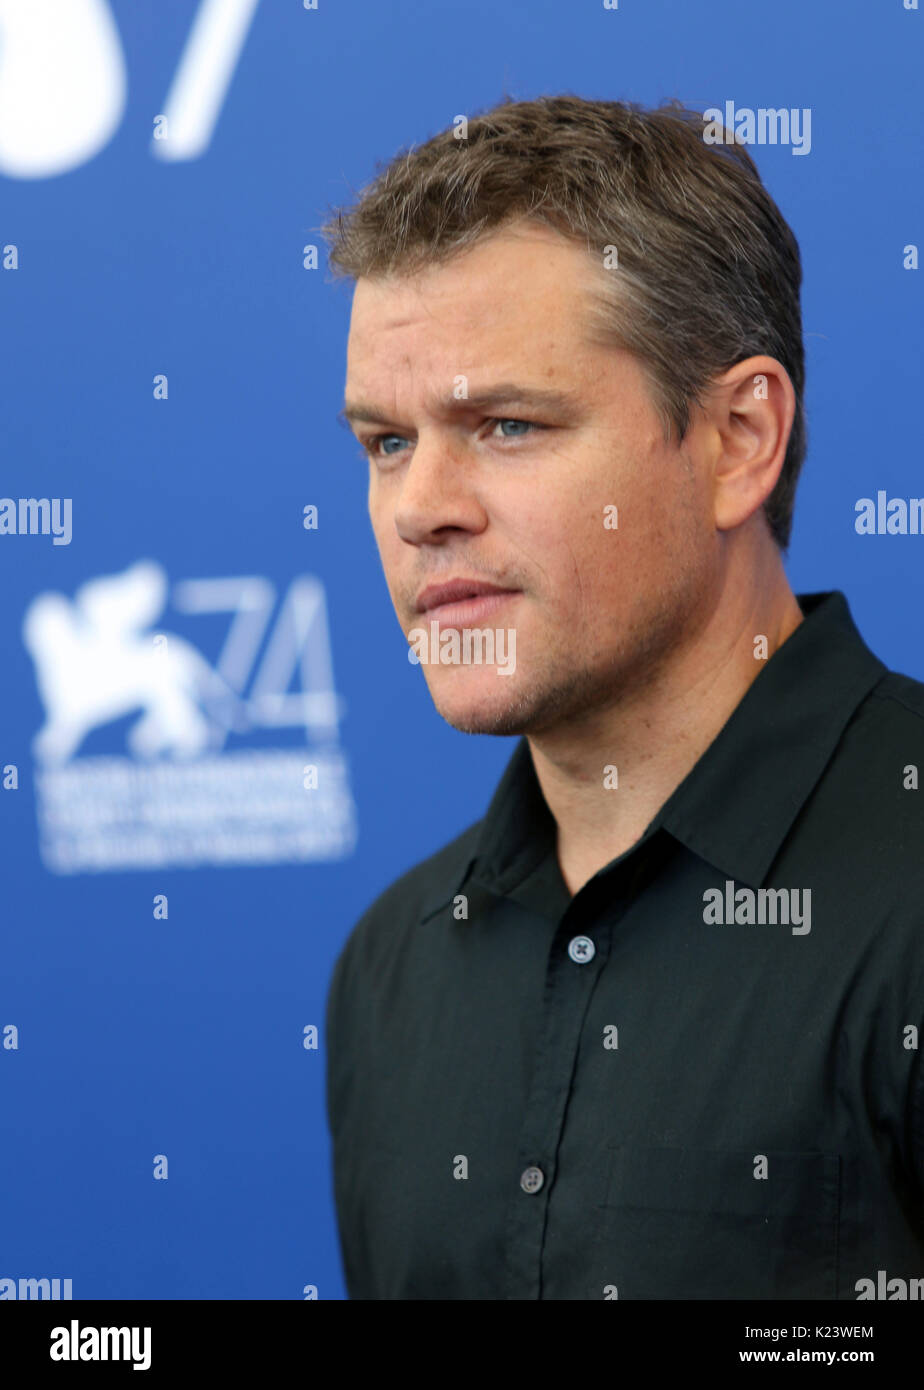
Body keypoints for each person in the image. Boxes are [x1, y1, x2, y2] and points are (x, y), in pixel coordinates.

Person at [320, 95, 924, 1300]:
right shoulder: (394, 966)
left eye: (504, 424)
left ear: (738, 439)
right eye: (386, 442)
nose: (418, 507)